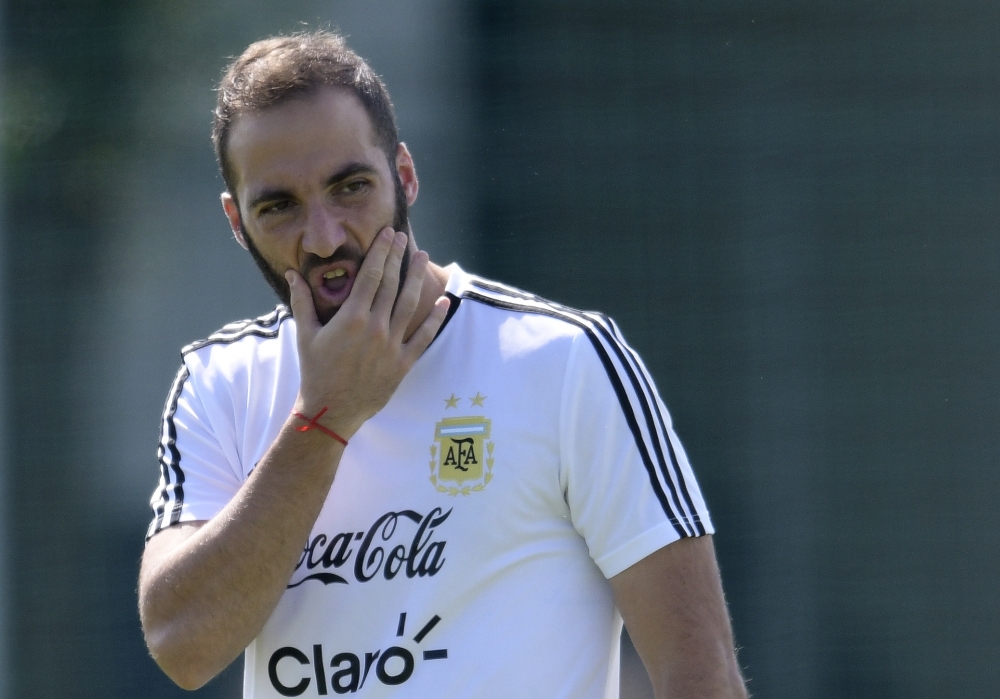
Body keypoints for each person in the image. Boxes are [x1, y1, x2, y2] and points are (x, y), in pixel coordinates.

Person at [138, 31, 747, 699]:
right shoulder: (218, 382)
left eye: (350, 187)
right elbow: (182, 646)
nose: (325, 237)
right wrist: (325, 418)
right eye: (278, 205)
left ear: (404, 176)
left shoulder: (565, 359)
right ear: (236, 221)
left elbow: (702, 672)